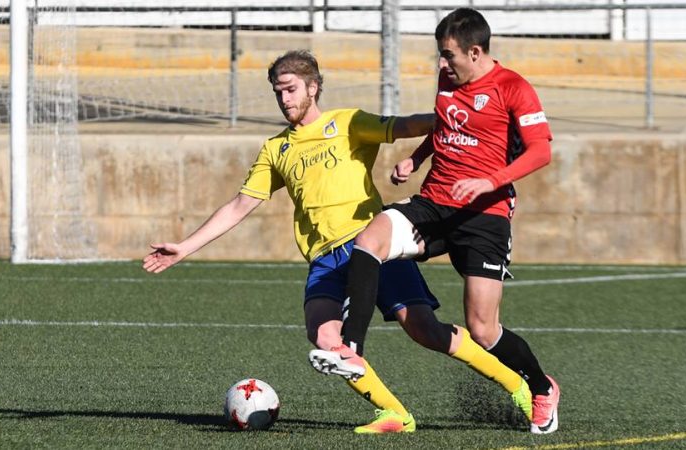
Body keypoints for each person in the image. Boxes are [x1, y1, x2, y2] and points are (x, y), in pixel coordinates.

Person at [143, 50, 532, 434]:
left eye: (291, 90)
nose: (284, 100)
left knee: (423, 330)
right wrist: (185, 247)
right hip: (325, 261)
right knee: (324, 336)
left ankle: (518, 385)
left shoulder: (347, 123)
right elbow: (241, 204)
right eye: (278, 92)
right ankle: (395, 413)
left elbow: (407, 125)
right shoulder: (276, 149)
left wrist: (456, 122)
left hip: (371, 246)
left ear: (313, 87)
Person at [309, 8, 561, 435]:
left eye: (448, 56)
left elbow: (541, 152)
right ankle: (351, 347)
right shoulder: (449, 79)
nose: (441, 65)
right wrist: (416, 157)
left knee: (483, 329)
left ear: (475, 52)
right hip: (435, 201)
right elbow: (447, 126)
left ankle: (540, 387)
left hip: (485, 215)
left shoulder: (513, 87)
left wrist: (489, 181)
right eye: (439, 57)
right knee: (371, 239)